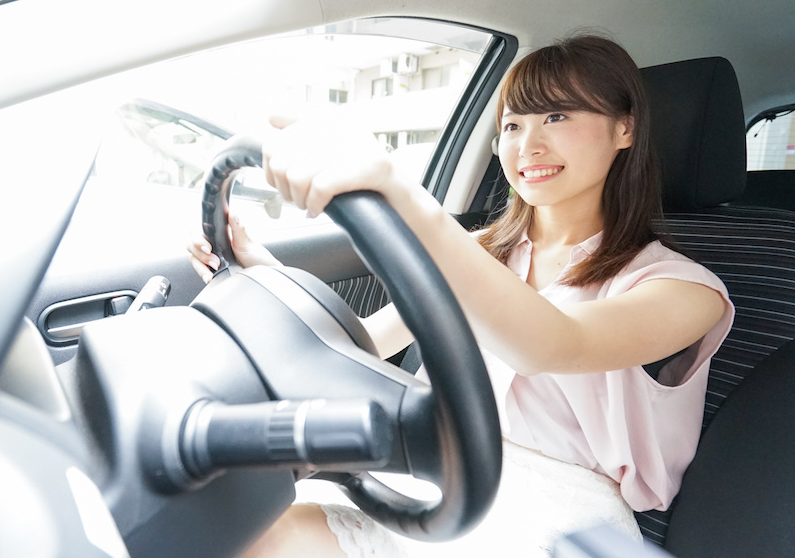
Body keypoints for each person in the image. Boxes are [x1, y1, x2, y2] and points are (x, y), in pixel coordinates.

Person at [187, 34, 734, 557]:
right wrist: (263, 272)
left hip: (558, 515)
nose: (528, 145)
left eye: (558, 116)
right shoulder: (481, 251)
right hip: (435, 464)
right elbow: (362, 347)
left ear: (625, 129)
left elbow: (552, 345)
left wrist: (398, 191)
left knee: (272, 536)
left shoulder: (684, 289)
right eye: (513, 124)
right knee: (236, 517)